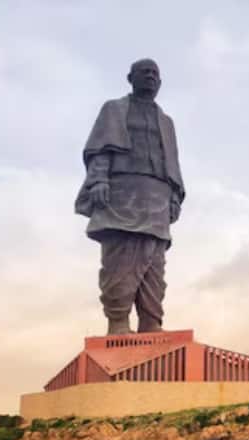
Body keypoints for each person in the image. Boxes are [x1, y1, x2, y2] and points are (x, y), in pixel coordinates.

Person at [74, 58, 185, 335]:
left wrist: (173, 197)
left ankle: (151, 321)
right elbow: (100, 149)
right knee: (120, 258)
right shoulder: (114, 109)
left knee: (154, 260)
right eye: (144, 72)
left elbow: (171, 163)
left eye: (155, 74)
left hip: (157, 197)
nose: (150, 77)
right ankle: (118, 321)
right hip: (123, 192)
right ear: (130, 78)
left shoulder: (166, 122)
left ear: (160, 82)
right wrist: (98, 179)